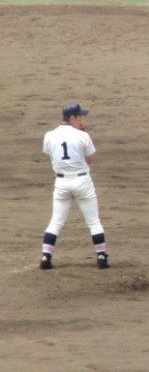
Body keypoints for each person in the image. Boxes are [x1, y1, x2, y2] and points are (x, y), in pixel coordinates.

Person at [40, 102, 109, 270]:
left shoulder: (49, 135)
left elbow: (51, 154)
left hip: (61, 183)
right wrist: (81, 136)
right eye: (80, 116)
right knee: (93, 221)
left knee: (55, 221)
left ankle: (45, 257)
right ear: (72, 117)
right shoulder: (82, 136)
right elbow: (90, 159)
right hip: (82, 182)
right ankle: (101, 256)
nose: (81, 119)